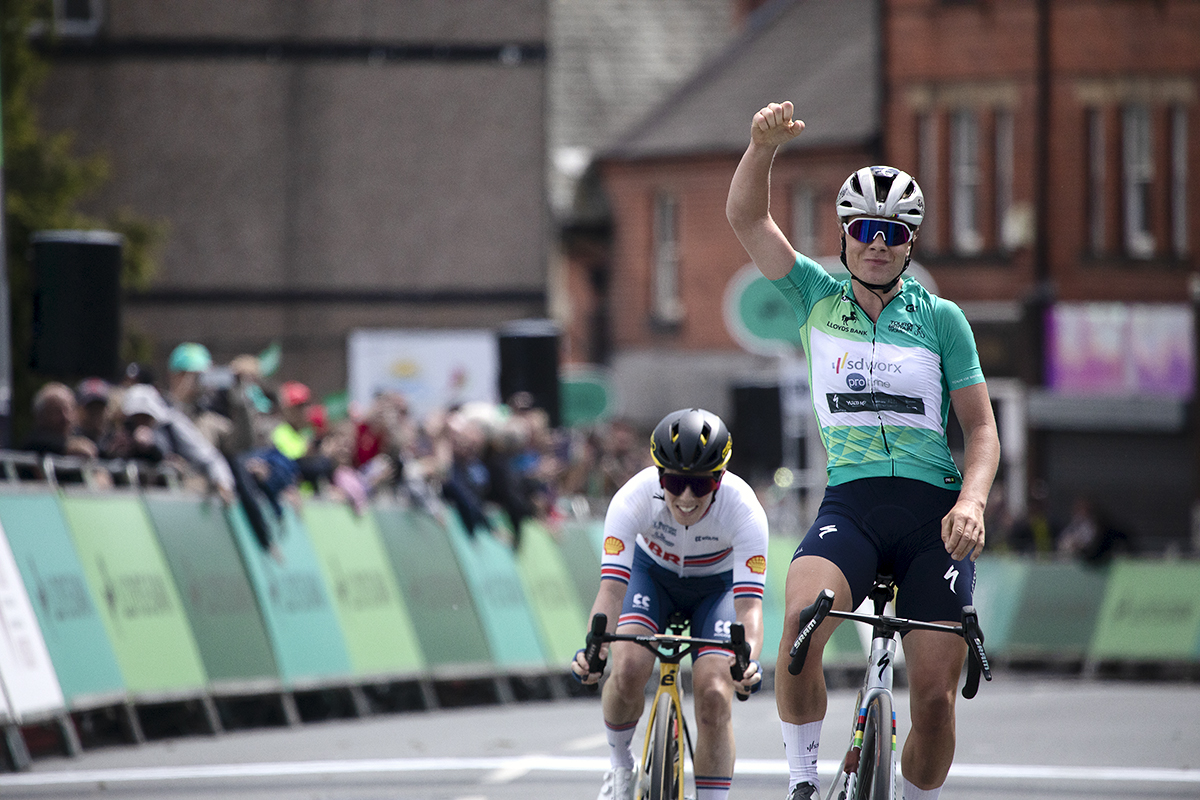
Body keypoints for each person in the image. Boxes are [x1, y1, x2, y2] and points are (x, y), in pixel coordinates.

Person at [726, 102, 1000, 800]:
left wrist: (971, 502)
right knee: (796, 629)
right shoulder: (813, 297)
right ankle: (802, 783)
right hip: (850, 504)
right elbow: (749, 222)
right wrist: (762, 150)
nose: (876, 244)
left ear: (909, 243)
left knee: (935, 700)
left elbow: (982, 431)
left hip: (933, 518)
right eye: (863, 230)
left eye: (892, 233)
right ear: (845, 237)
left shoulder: (941, 320)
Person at [571, 408, 768, 800]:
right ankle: (620, 767)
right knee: (628, 668)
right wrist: (596, 650)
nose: (687, 496)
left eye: (701, 484)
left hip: (717, 589)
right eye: (675, 482)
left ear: (721, 478)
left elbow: (748, 609)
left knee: (714, 691)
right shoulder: (633, 498)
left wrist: (746, 662)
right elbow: (611, 591)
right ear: (660, 475)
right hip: (653, 577)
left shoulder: (744, 510)